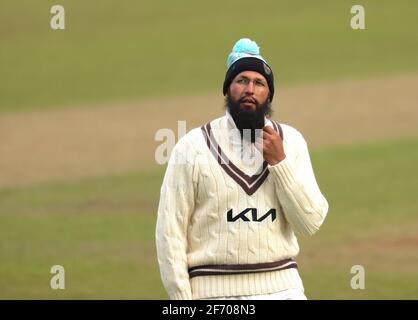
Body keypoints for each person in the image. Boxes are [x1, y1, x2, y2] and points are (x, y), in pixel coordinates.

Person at [156, 38, 329, 300]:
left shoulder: (291, 141)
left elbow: (310, 223)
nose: (250, 89)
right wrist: (182, 300)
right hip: (213, 294)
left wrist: (279, 163)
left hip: (283, 289)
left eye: (259, 83)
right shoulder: (191, 147)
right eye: (241, 81)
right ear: (227, 90)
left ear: (268, 94)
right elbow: (170, 232)